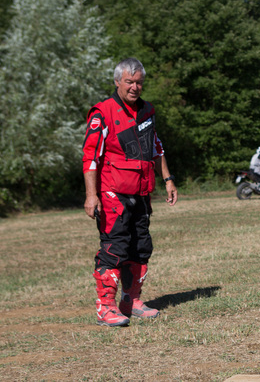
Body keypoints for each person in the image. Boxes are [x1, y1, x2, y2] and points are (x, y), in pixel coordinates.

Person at [82, 58, 178, 327]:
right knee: (114, 248)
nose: (135, 87)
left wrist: (168, 179)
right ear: (117, 82)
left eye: (139, 82)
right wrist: (92, 196)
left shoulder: (147, 111)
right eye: (129, 82)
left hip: (142, 191)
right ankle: (105, 307)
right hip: (113, 192)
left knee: (141, 247)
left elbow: (156, 146)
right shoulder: (102, 113)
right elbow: (90, 157)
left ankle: (131, 301)